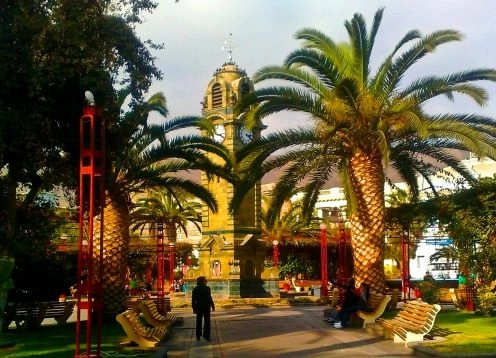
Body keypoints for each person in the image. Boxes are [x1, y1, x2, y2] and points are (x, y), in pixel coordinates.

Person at [192, 276, 215, 341]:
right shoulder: (207, 288)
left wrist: (194, 308)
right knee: (207, 322)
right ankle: (207, 336)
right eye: (205, 280)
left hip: (198, 306)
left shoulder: (195, 289)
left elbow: (193, 300)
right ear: (203, 281)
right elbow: (209, 298)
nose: (206, 281)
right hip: (206, 306)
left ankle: (198, 336)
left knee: (198, 321)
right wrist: (212, 306)